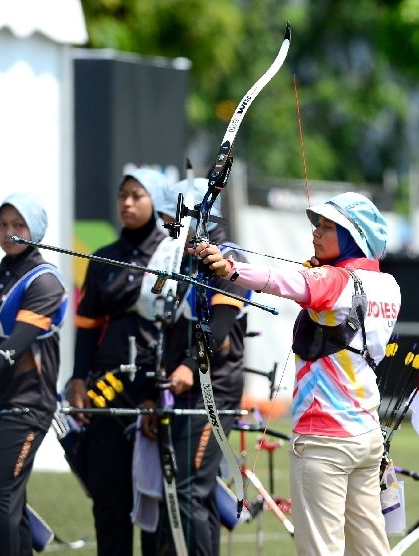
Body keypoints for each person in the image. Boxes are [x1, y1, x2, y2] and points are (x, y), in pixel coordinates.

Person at [193, 192, 400, 556]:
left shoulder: (334, 281)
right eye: (317, 225)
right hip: (366, 435)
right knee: (370, 549)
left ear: (353, 237)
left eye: (327, 227)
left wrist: (230, 270)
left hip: (325, 440)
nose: (316, 233)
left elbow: (283, 281)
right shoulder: (389, 286)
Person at [140, 177, 250, 556]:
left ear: (200, 216)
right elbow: (165, 331)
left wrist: (188, 367)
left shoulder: (230, 259)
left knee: (190, 488)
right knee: (181, 492)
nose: (169, 228)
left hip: (212, 391)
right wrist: (158, 393)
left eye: (175, 219)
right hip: (177, 390)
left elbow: (218, 329)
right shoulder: (179, 257)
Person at [68, 168, 167, 556]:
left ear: (155, 201)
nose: (126, 203)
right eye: (122, 195)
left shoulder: (172, 254)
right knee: (109, 502)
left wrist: (158, 392)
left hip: (155, 390)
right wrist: (78, 378)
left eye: (136, 196)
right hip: (106, 388)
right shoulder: (103, 257)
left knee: (154, 505)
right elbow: (87, 325)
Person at [0, 193, 67, 556]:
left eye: (18, 225)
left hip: (25, 407)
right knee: (2, 498)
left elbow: (17, 343)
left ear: (35, 230)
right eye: (2, 224)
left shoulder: (45, 281)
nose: (8, 232)